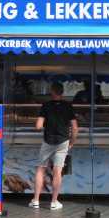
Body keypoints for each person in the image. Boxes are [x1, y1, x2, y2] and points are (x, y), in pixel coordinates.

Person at [30, 81, 78, 210]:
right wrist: (72, 142)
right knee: (57, 171)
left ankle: (35, 200)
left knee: (41, 169)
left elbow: (38, 126)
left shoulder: (46, 105)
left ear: (52, 92)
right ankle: (54, 202)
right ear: (62, 93)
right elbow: (74, 127)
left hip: (48, 141)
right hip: (63, 142)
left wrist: (46, 125)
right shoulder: (68, 106)